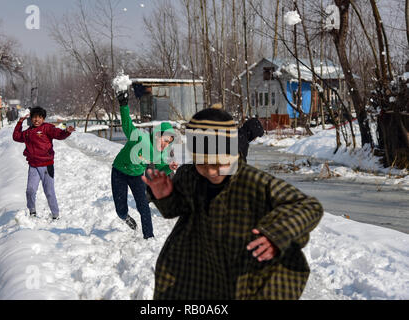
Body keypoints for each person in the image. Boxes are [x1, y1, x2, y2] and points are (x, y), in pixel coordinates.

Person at [142, 104, 323, 299]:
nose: (211, 171)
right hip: (197, 268)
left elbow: (308, 206)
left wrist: (276, 235)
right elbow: (174, 209)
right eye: (202, 163)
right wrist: (164, 195)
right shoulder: (190, 175)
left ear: (232, 154)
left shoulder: (253, 181)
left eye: (218, 163)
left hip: (244, 271)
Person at [112, 90, 178, 239]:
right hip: (119, 172)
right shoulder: (140, 138)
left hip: (136, 176)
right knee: (120, 210)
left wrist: (169, 167)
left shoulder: (159, 153)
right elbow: (128, 125)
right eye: (165, 140)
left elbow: (160, 169)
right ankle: (126, 218)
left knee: (144, 207)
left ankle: (149, 237)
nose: (166, 145)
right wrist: (123, 104)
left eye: (169, 143)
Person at [13, 106, 75, 220]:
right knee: (30, 190)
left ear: (43, 119)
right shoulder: (28, 132)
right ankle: (32, 212)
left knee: (49, 192)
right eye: (34, 118)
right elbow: (16, 137)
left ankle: (55, 215)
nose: (37, 120)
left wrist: (66, 132)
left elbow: (59, 134)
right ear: (31, 119)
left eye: (39, 118)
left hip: (47, 165)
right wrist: (20, 121)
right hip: (33, 166)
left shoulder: (47, 128)